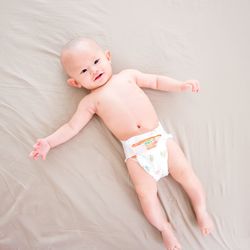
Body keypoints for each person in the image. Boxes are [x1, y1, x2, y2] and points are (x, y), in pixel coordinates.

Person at [29, 37, 214, 250]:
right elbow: (72, 127)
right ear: (75, 83)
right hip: (136, 154)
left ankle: (201, 209)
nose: (93, 70)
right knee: (146, 195)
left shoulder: (128, 76)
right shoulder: (90, 102)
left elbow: (155, 81)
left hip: (160, 140)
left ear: (107, 57)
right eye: (83, 71)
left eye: (96, 62)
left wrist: (180, 85)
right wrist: (49, 143)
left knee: (187, 175)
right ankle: (165, 228)